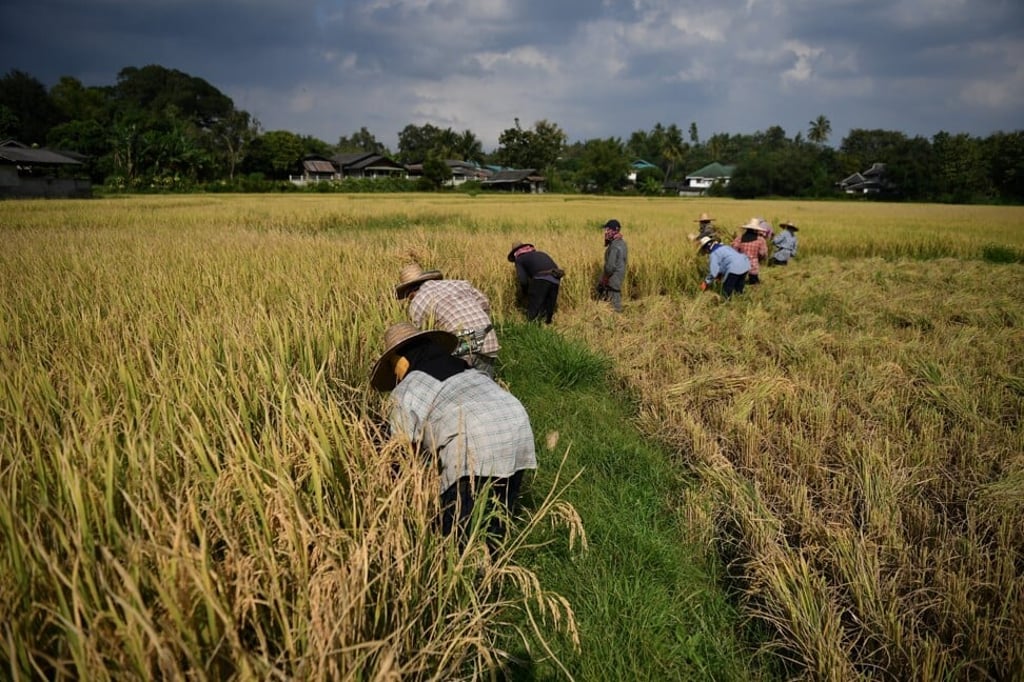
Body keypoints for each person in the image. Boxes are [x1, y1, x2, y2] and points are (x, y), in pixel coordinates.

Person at [370, 321, 537, 546]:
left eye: (392, 365)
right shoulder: (466, 367)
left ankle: (475, 575)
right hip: (515, 424)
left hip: (474, 440)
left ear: (402, 359)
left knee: (458, 536)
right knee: (498, 516)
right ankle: (495, 562)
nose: (394, 373)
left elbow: (400, 450)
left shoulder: (407, 388)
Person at [395, 263, 499, 379]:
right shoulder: (459, 284)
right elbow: (484, 303)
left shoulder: (417, 302)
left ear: (409, 293)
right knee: (486, 388)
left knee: (461, 390)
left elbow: (425, 338)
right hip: (488, 336)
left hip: (463, 343)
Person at [507, 242, 563, 324]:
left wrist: (525, 292)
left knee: (533, 310)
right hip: (555, 279)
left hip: (541, 279)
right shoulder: (540, 253)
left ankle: (531, 330)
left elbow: (523, 280)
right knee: (548, 310)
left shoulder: (520, 259)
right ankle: (548, 328)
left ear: (515, 253)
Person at [597, 219, 628, 312]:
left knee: (614, 300)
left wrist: (605, 278)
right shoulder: (622, 243)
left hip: (613, 276)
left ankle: (617, 319)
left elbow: (610, 267)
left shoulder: (614, 246)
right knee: (612, 297)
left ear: (615, 230)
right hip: (619, 274)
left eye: (608, 230)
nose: (606, 232)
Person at [730, 217, 769, 285]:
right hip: (753, 264)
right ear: (756, 230)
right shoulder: (760, 240)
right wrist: (761, 259)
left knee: (739, 280)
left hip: (741, 262)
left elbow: (734, 248)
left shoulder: (740, 238)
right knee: (754, 281)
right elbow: (763, 253)